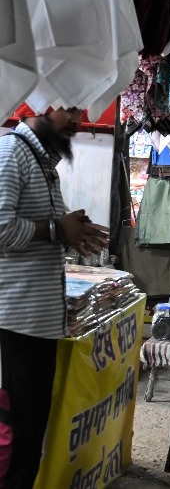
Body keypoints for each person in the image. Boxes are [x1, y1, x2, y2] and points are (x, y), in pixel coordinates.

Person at [0, 105, 110, 489]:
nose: (80, 121)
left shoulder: (41, 160)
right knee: (16, 438)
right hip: (15, 323)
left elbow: (37, 232)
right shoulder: (11, 153)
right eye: (71, 109)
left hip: (37, 323)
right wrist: (55, 230)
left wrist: (71, 232)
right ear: (42, 107)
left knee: (30, 435)